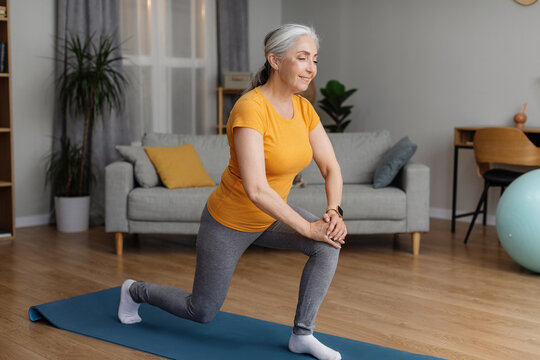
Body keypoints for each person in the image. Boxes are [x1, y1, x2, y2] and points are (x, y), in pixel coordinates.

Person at [118, 24, 347, 360]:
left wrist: (333, 211)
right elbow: (256, 189)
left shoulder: (304, 110)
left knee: (327, 244)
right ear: (275, 60)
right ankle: (134, 291)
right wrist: (306, 227)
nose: (311, 67)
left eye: (314, 59)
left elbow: (331, 168)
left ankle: (302, 335)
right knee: (202, 310)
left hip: (270, 217)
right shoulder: (250, 109)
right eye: (302, 58)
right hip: (229, 221)